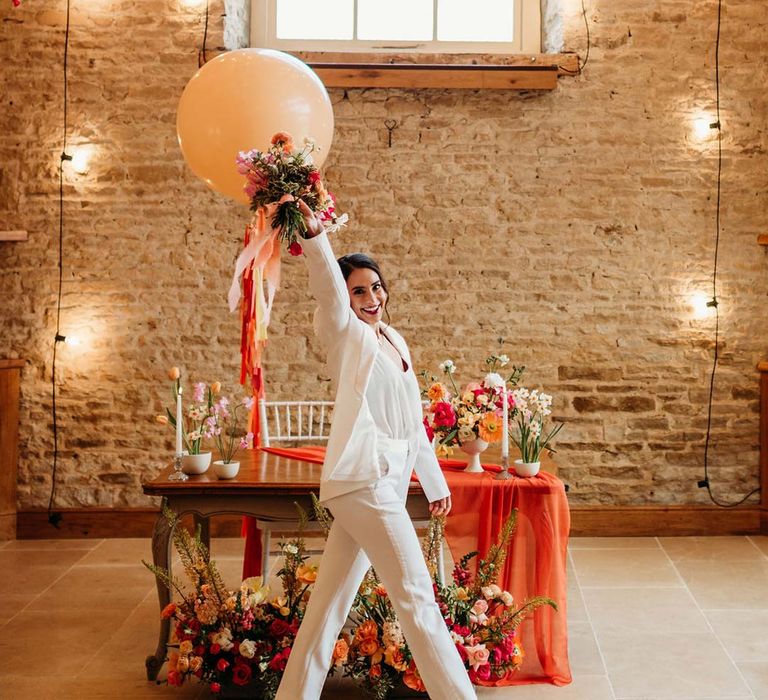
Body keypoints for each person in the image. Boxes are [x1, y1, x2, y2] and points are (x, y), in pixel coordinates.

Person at [274, 201, 477, 700]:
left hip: (386, 477)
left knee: (328, 607)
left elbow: (412, 421)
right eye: (358, 290)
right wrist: (317, 235)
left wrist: (433, 482)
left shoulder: (394, 339)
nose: (371, 297)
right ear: (346, 299)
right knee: (417, 598)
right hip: (364, 480)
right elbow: (325, 283)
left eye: (376, 287)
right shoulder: (345, 334)